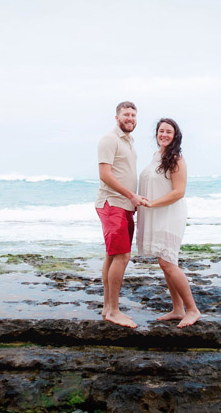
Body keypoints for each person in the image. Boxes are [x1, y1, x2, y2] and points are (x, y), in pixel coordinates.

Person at [136, 118, 201, 328]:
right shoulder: (157, 156)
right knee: (165, 262)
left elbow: (179, 192)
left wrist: (152, 203)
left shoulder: (176, 158)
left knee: (168, 261)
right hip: (156, 212)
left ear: (175, 135)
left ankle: (192, 310)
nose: (164, 134)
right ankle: (177, 309)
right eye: (161, 131)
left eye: (168, 132)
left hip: (170, 214)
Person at [95, 101, 147, 328]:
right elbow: (105, 174)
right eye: (126, 114)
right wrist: (131, 195)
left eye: (134, 115)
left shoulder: (130, 142)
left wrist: (133, 199)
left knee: (112, 255)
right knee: (122, 256)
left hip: (124, 205)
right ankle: (114, 311)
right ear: (117, 117)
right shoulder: (110, 139)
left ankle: (107, 307)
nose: (130, 118)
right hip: (112, 204)